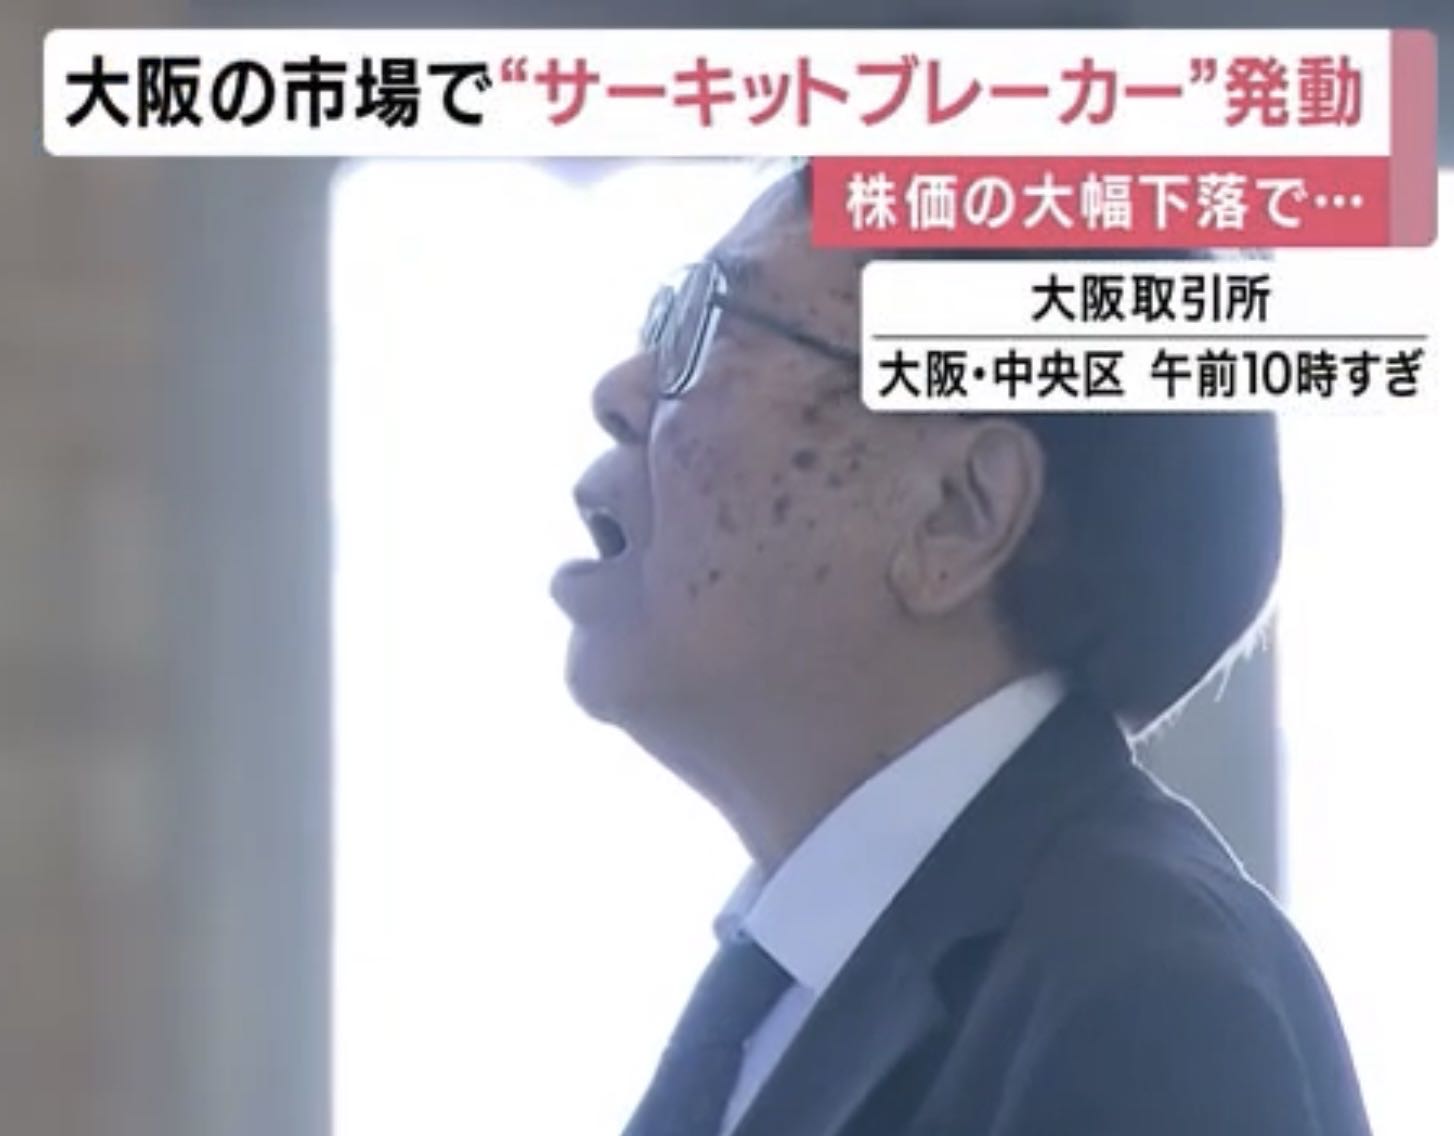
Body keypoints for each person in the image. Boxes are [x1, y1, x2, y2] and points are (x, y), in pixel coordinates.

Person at [549, 162, 1370, 1136]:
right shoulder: (809, 981)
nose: (621, 390)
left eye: (711, 323)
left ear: (956, 512)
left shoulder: (1148, 994)